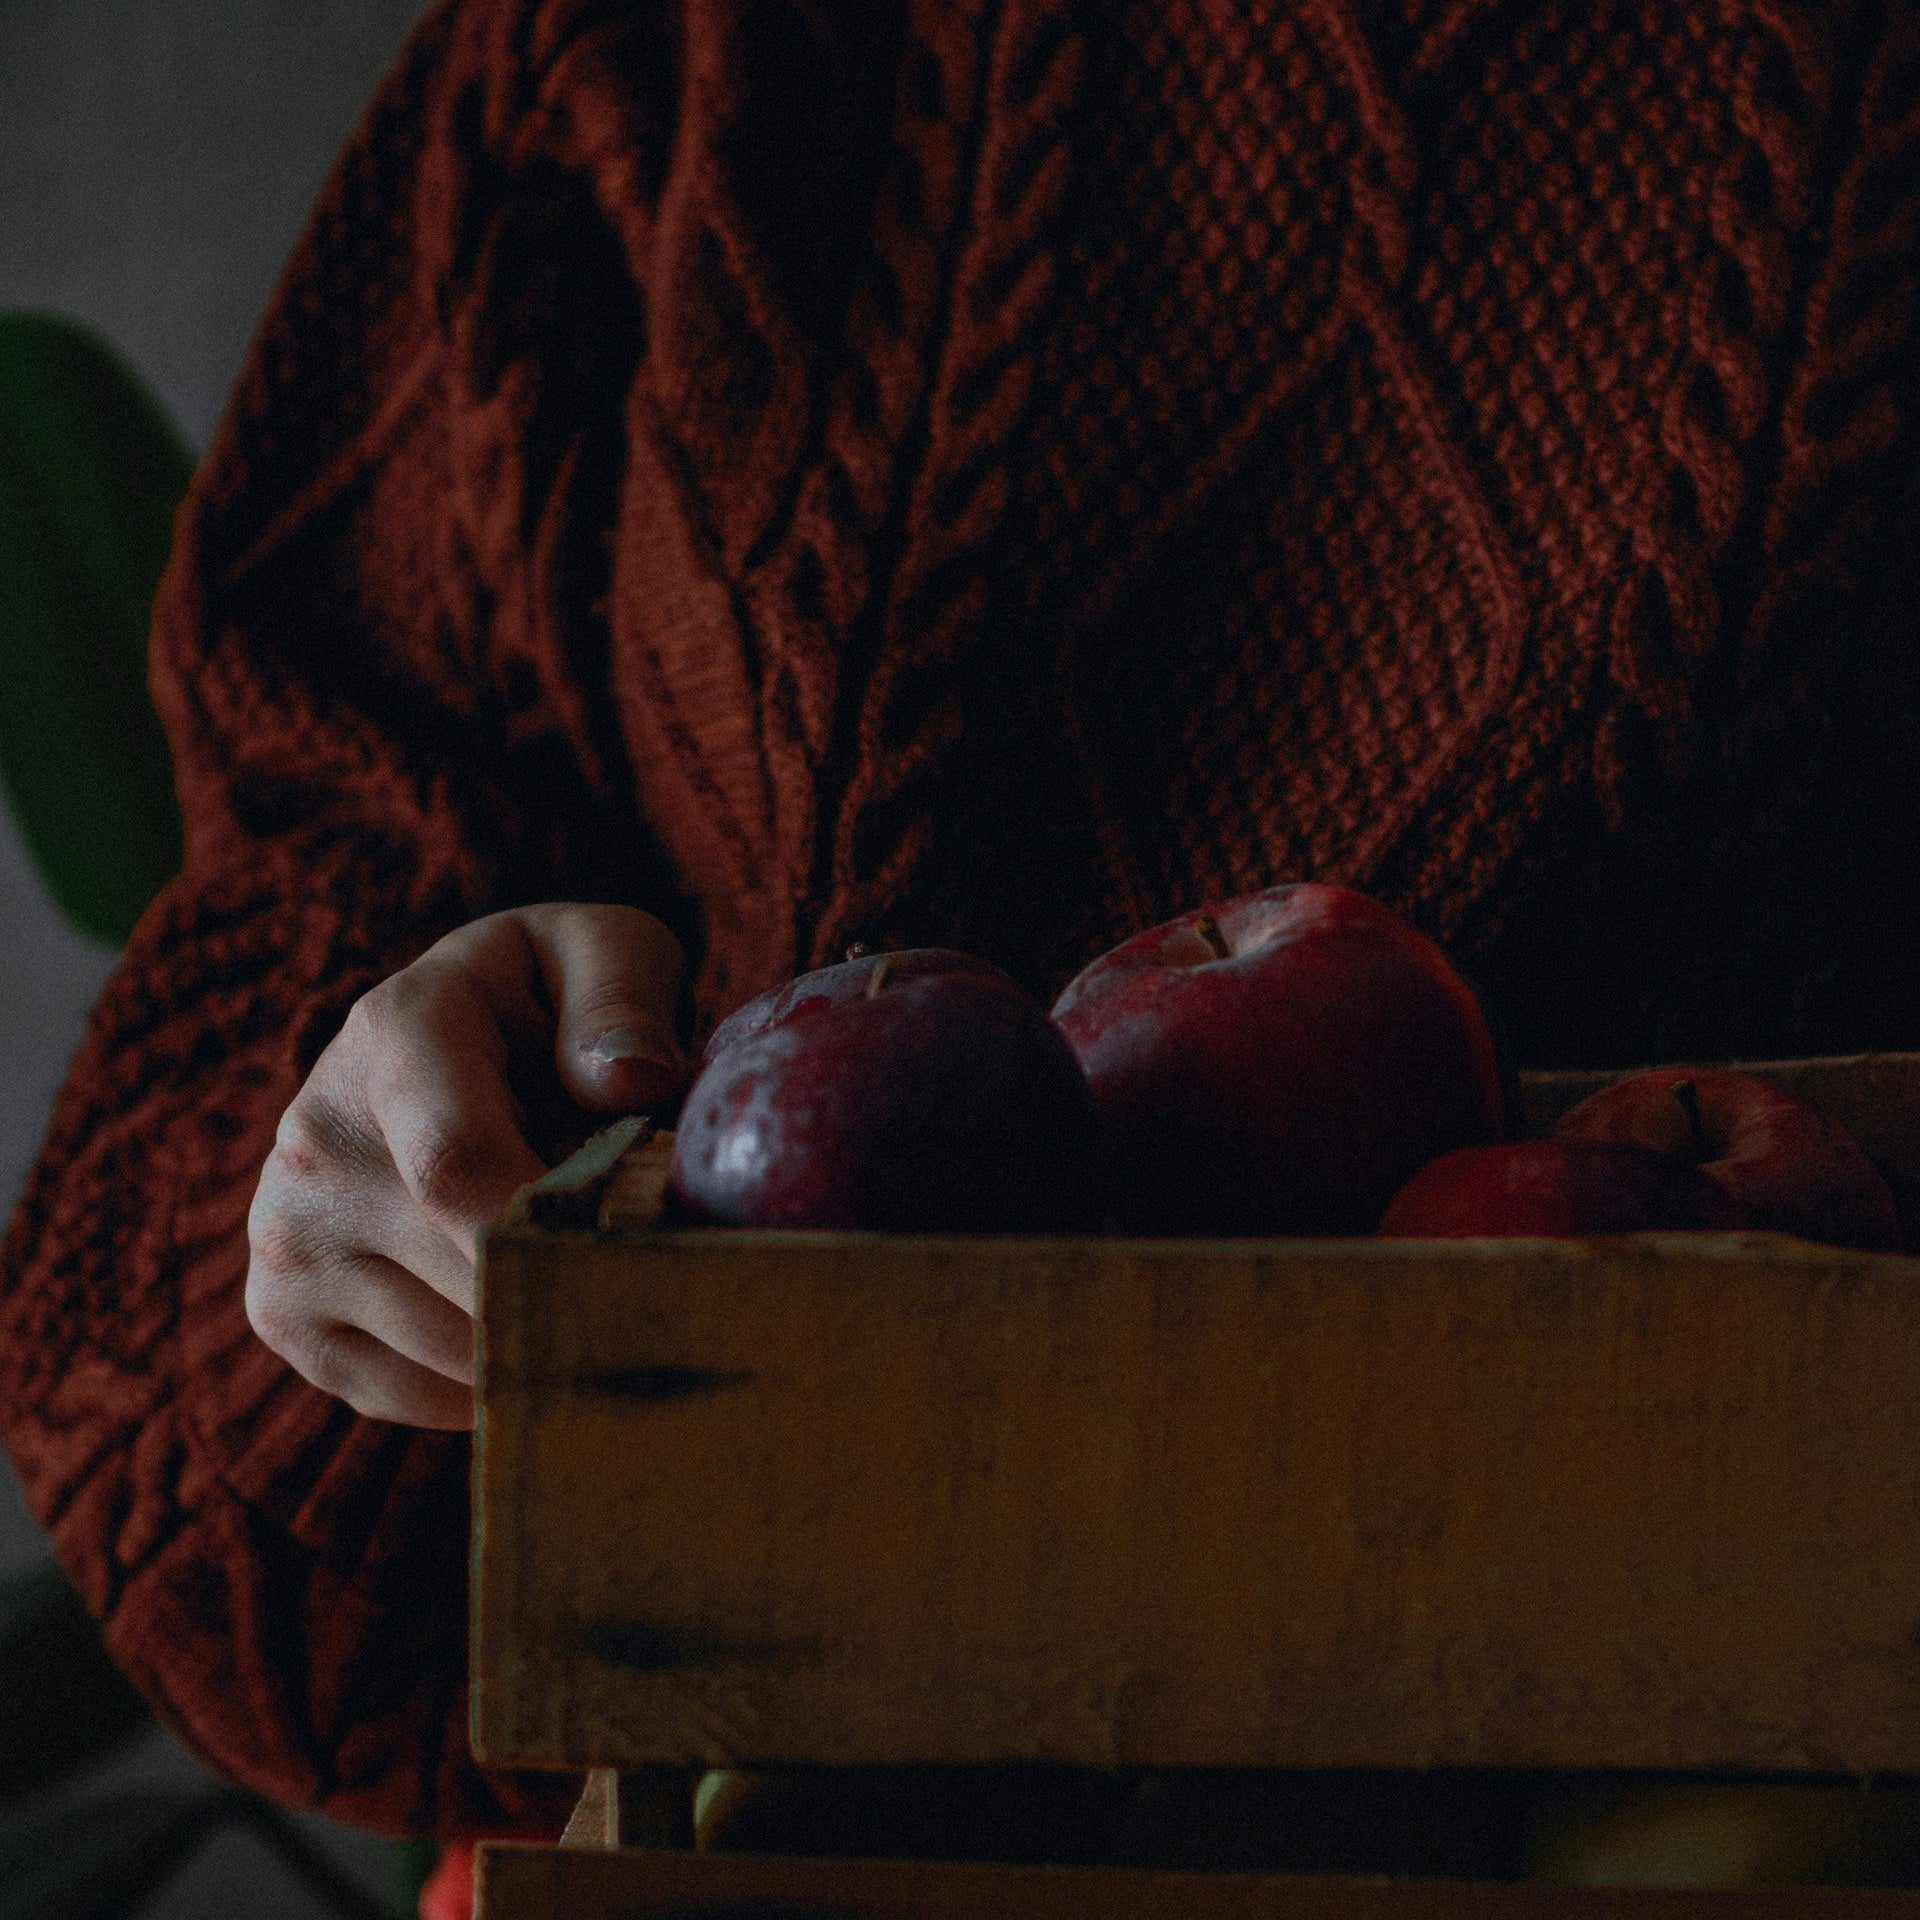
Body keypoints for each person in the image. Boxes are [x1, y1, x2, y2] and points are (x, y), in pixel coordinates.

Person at [4, 0, 1919, 1877]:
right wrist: (363, 1225)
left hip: (1728, 1748)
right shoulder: (655, 54)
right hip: (768, 1796)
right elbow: (186, 1348)